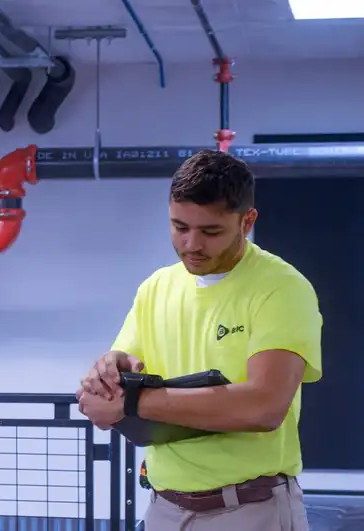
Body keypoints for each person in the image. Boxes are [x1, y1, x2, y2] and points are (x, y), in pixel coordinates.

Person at [76, 150, 322, 531]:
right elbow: (107, 390)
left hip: (248, 509)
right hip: (163, 509)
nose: (191, 244)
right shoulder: (156, 288)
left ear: (247, 221)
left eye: (210, 232)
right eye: (179, 227)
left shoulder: (282, 288)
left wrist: (134, 401)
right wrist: (107, 372)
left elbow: (263, 407)